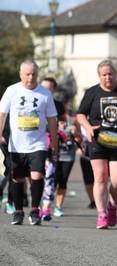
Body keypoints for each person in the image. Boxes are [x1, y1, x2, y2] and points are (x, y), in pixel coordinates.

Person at [77, 60, 117, 229]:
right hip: (97, 140)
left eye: (110, 74)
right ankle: (102, 215)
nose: (108, 77)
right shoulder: (92, 92)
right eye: (104, 75)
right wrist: (88, 127)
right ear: (99, 76)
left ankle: (112, 204)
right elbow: (80, 114)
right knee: (100, 177)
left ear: (115, 74)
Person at [0, 59, 58, 225]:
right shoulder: (12, 91)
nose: (31, 77)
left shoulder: (44, 93)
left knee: (37, 175)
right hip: (16, 144)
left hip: (37, 144)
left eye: (34, 74)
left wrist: (54, 141)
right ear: (21, 74)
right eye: (27, 74)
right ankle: (18, 212)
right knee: (17, 178)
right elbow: (2, 114)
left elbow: (52, 118)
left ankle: (34, 210)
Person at [39, 77, 66, 221]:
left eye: (49, 88)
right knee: (36, 177)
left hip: (52, 144)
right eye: (43, 87)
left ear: (54, 90)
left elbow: (63, 120)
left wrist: (62, 125)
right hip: (35, 144)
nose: (46, 90)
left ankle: (46, 208)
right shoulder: (34, 101)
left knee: (49, 176)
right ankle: (36, 206)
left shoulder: (58, 105)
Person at [53, 89, 81, 217]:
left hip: (68, 154)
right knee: (52, 180)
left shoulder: (74, 117)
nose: (63, 104)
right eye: (61, 102)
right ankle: (46, 203)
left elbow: (80, 137)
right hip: (53, 153)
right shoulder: (52, 115)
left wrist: (75, 132)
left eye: (65, 102)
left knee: (63, 180)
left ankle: (58, 206)